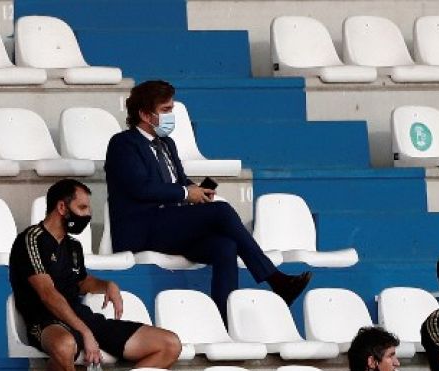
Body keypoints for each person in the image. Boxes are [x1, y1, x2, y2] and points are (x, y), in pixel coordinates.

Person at [104, 79, 310, 315]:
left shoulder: (167, 144)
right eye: (165, 110)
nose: (171, 116)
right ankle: (275, 279)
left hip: (171, 227)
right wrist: (186, 193)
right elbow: (141, 188)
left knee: (225, 246)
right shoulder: (123, 143)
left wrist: (197, 190)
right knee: (220, 212)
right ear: (144, 114)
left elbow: (180, 181)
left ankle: (225, 319)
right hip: (142, 229)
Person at [9, 178, 183, 371]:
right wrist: (85, 333)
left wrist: (106, 285)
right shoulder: (31, 240)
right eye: (82, 207)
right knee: (64, 345)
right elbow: (48, 294)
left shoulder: (73, 246)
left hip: (82, 317)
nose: (88, 214)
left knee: (169, 344)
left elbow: (80, 281)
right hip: (45, 321)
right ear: (62, 207)